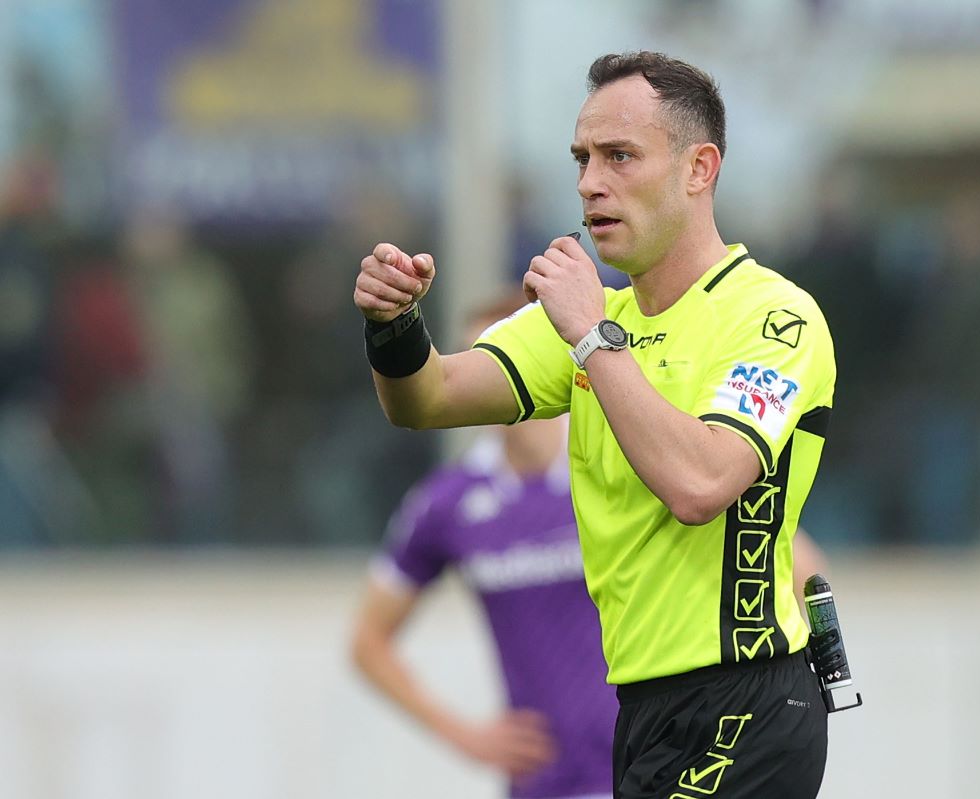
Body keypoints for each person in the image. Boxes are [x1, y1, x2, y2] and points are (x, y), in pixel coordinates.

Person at [353, 51, 840, 798]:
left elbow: (701, 482)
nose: (589, 182)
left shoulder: (772, 318)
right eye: (582, 158)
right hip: (642, 712)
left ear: (698, 168)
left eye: (620, 156)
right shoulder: (592, 319)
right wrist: (394, 324)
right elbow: (427, 397)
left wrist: (590, 338)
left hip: (747, 698)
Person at [349, 290, 615, 799]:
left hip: (650, 769)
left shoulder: (614, 460)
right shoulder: (449, 502)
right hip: (543, 782)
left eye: (501, 354)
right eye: (470, 357)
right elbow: (368, 642)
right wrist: (466, 737)